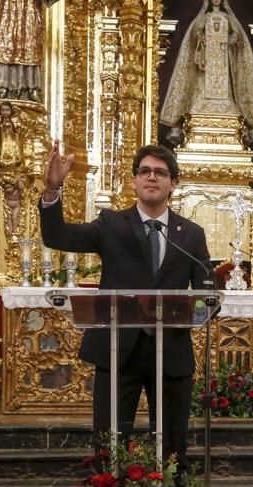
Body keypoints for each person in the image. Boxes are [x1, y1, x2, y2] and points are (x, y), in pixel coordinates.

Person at [39, 143, 211, 469]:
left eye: (160, 173)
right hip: (118, 351)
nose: (151, 177)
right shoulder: (111, 225)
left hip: (170, 353)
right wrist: (52, 188)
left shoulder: (190, 235)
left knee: (173, 442)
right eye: (144, 171)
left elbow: (206, 294)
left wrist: (198, 308)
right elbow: (58, 236)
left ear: (173, 183)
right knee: (110, 440)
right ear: (133, 181)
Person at [160, 0, 253, 146]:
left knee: (227, 89)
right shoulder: (204, 18)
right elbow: (195, 34)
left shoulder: (228, 18)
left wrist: (232, 40)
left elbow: (238, 35)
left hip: (224, 61)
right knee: (201, 86)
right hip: (206, 64)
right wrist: (201, 37)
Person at [0, 0, 60, 101]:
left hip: (30, 10)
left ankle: (29, 87)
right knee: (3, 45)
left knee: (30, 46)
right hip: (6, 9)